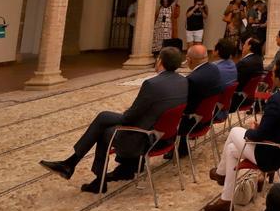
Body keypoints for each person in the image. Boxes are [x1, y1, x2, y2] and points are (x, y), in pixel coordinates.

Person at [40, 47, 187, 193]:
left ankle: (93, 177)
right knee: (104, 118)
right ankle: (73, 164)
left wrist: (126, 114)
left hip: (145, 139)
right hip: (166, 137)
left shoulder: (152, 84)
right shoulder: (183, 82)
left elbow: (130, 118)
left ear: (160, 61)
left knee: (104, 128)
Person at [203, 60, 280, 211]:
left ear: (278, 78)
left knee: (234, 132)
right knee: (232, 150)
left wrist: (252, 131)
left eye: (273, 73)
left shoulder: (276, 100)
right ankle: (226, 200)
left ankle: (221, 173)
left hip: (271, 154)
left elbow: (259, 135)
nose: (271, 75)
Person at [173, 44, 224, 158]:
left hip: (192, 123)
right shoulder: (214, 68)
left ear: (189, 59)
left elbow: (186, 106)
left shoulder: (192, 79)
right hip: (208, 117)